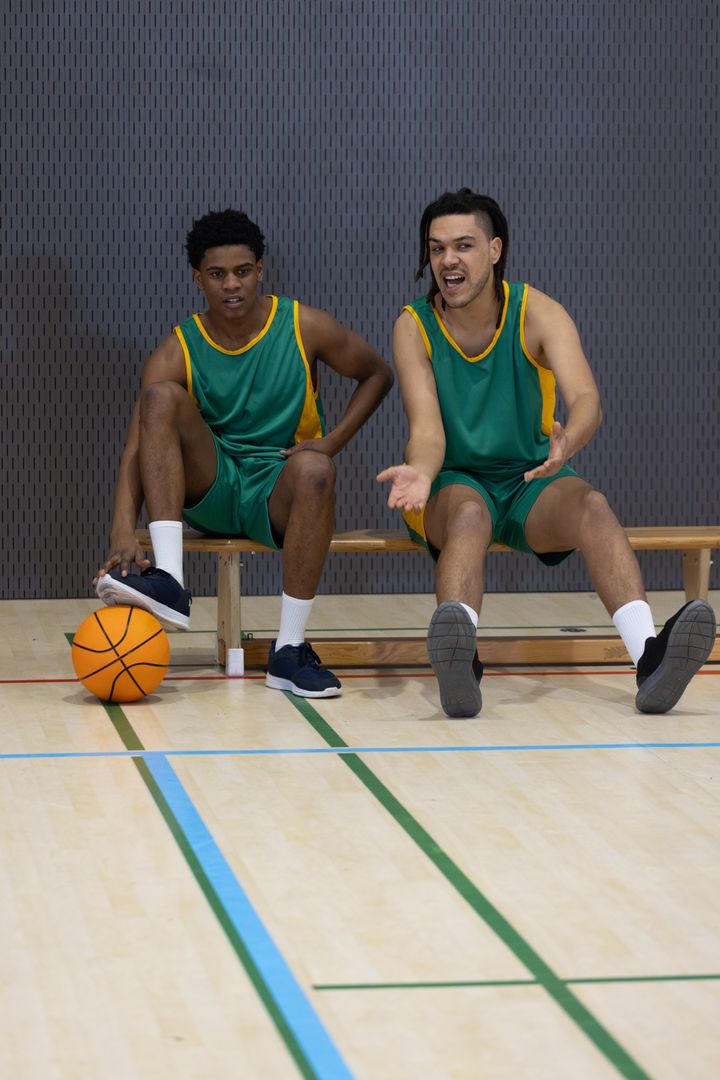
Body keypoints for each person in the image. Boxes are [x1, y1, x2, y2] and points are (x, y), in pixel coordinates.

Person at [378, 188, 715, 717]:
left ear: (494, 250)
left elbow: (586, 399)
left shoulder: (538, 311)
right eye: (437, 247)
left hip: (531, 477)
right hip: (452, 481)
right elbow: (428, 429)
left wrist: (568, 444)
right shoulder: (412, 325)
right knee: (467, 513)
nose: (448, 260)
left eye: (463, 245)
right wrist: (420, 471)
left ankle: (649, 659)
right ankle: (461, 664)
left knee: (593, 506)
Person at [94, 208, 393, 698]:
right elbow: (137, 446)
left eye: (242, 271)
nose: (231, 285)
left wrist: (333, 440)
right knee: (158, 399)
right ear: (198, 279)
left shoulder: (304, 325)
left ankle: (289, 652)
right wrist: (122, 526)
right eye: (217, 274)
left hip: (275, 487)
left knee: (317, 468)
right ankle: (170, 578)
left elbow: (377, 373)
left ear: (260, 270)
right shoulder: (178, 347)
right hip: (211, 489)